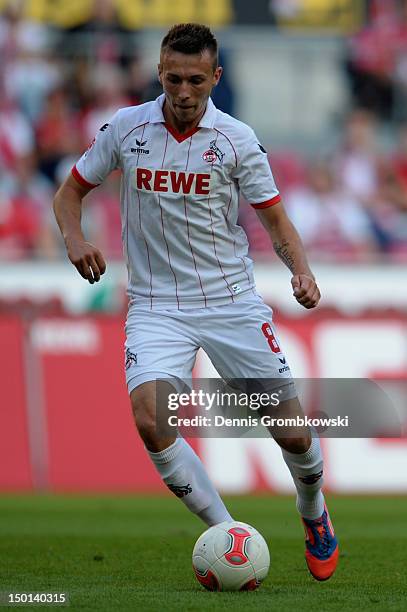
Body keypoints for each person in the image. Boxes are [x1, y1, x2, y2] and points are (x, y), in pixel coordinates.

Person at [53, 23, 338, 581]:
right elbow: (69, 194)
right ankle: (230, 535)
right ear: (159, 73)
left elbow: (276, 221)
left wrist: (300, 271)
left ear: (216, 77)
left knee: (294, 433)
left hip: (230, 301)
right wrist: (76, 239)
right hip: (157, 306)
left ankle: (314, 511)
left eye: (195, 81)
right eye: (173, 79)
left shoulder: (235, 139)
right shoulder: (126, 128)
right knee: (151, 420)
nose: (182, 92)